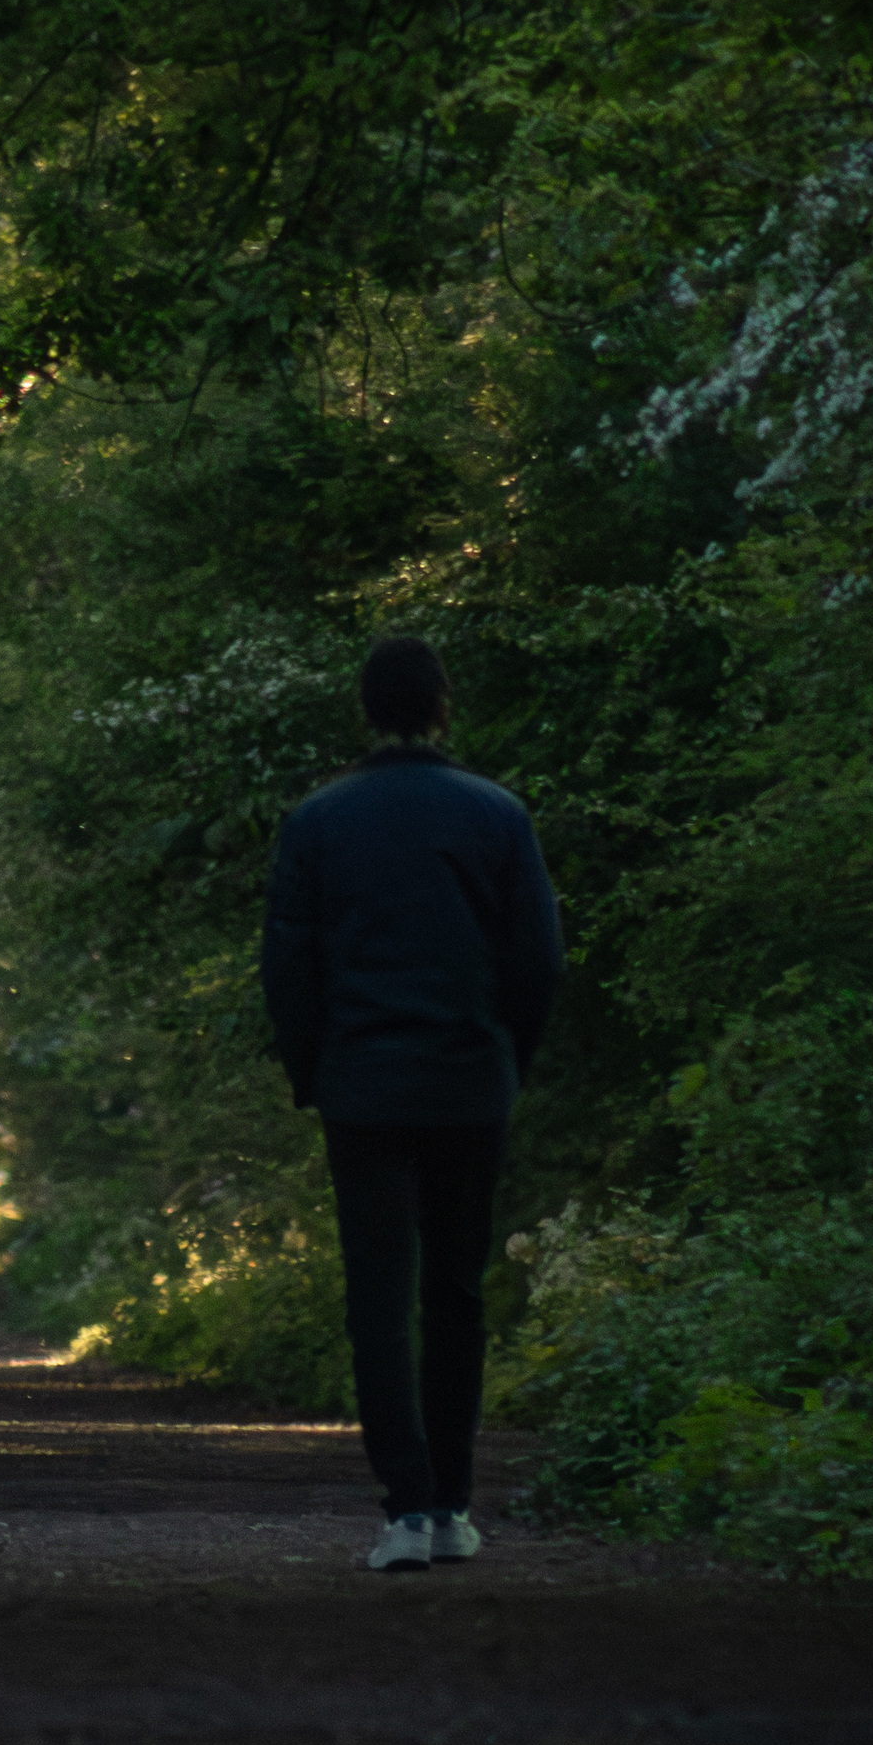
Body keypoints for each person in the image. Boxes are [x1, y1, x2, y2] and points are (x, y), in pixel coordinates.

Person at [262, 636, 565, 1572]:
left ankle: (404, 1506)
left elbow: (289, 967)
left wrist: (313, 1072)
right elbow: (537, 960)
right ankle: (455, 1507)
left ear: (366, 711)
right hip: (470, 1082)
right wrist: (508, 1057)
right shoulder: (497, 814)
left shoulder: (317, 820)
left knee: (378, 1299)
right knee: (457, 1294)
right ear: (443, 706)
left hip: (362, 1086)